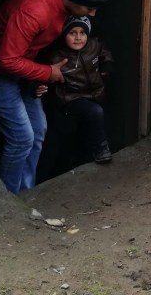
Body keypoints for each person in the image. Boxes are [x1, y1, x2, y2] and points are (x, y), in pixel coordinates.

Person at [0, 0, 111, 193]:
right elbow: (7, 59)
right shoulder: (34, 11)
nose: (92, 14)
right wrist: (47, 73)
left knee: (37, 130)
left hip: (25, 69)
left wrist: (36, 77)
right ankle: (9, 198)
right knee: (21, 137)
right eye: (89, 7)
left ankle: (27, 191)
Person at [36, 15, 114, 181]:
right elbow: (41, 72)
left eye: (82, 33)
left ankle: (85, 161)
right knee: (92, 114)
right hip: (70, 99)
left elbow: (104, 53)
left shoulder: (94, 45)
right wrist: (37, 87)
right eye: (72, 32)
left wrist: (106, 68)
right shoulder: (57, 56)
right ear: (64, 34)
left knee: (90, 124)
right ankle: (101, 149)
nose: (78, 37)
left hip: (94, 94)